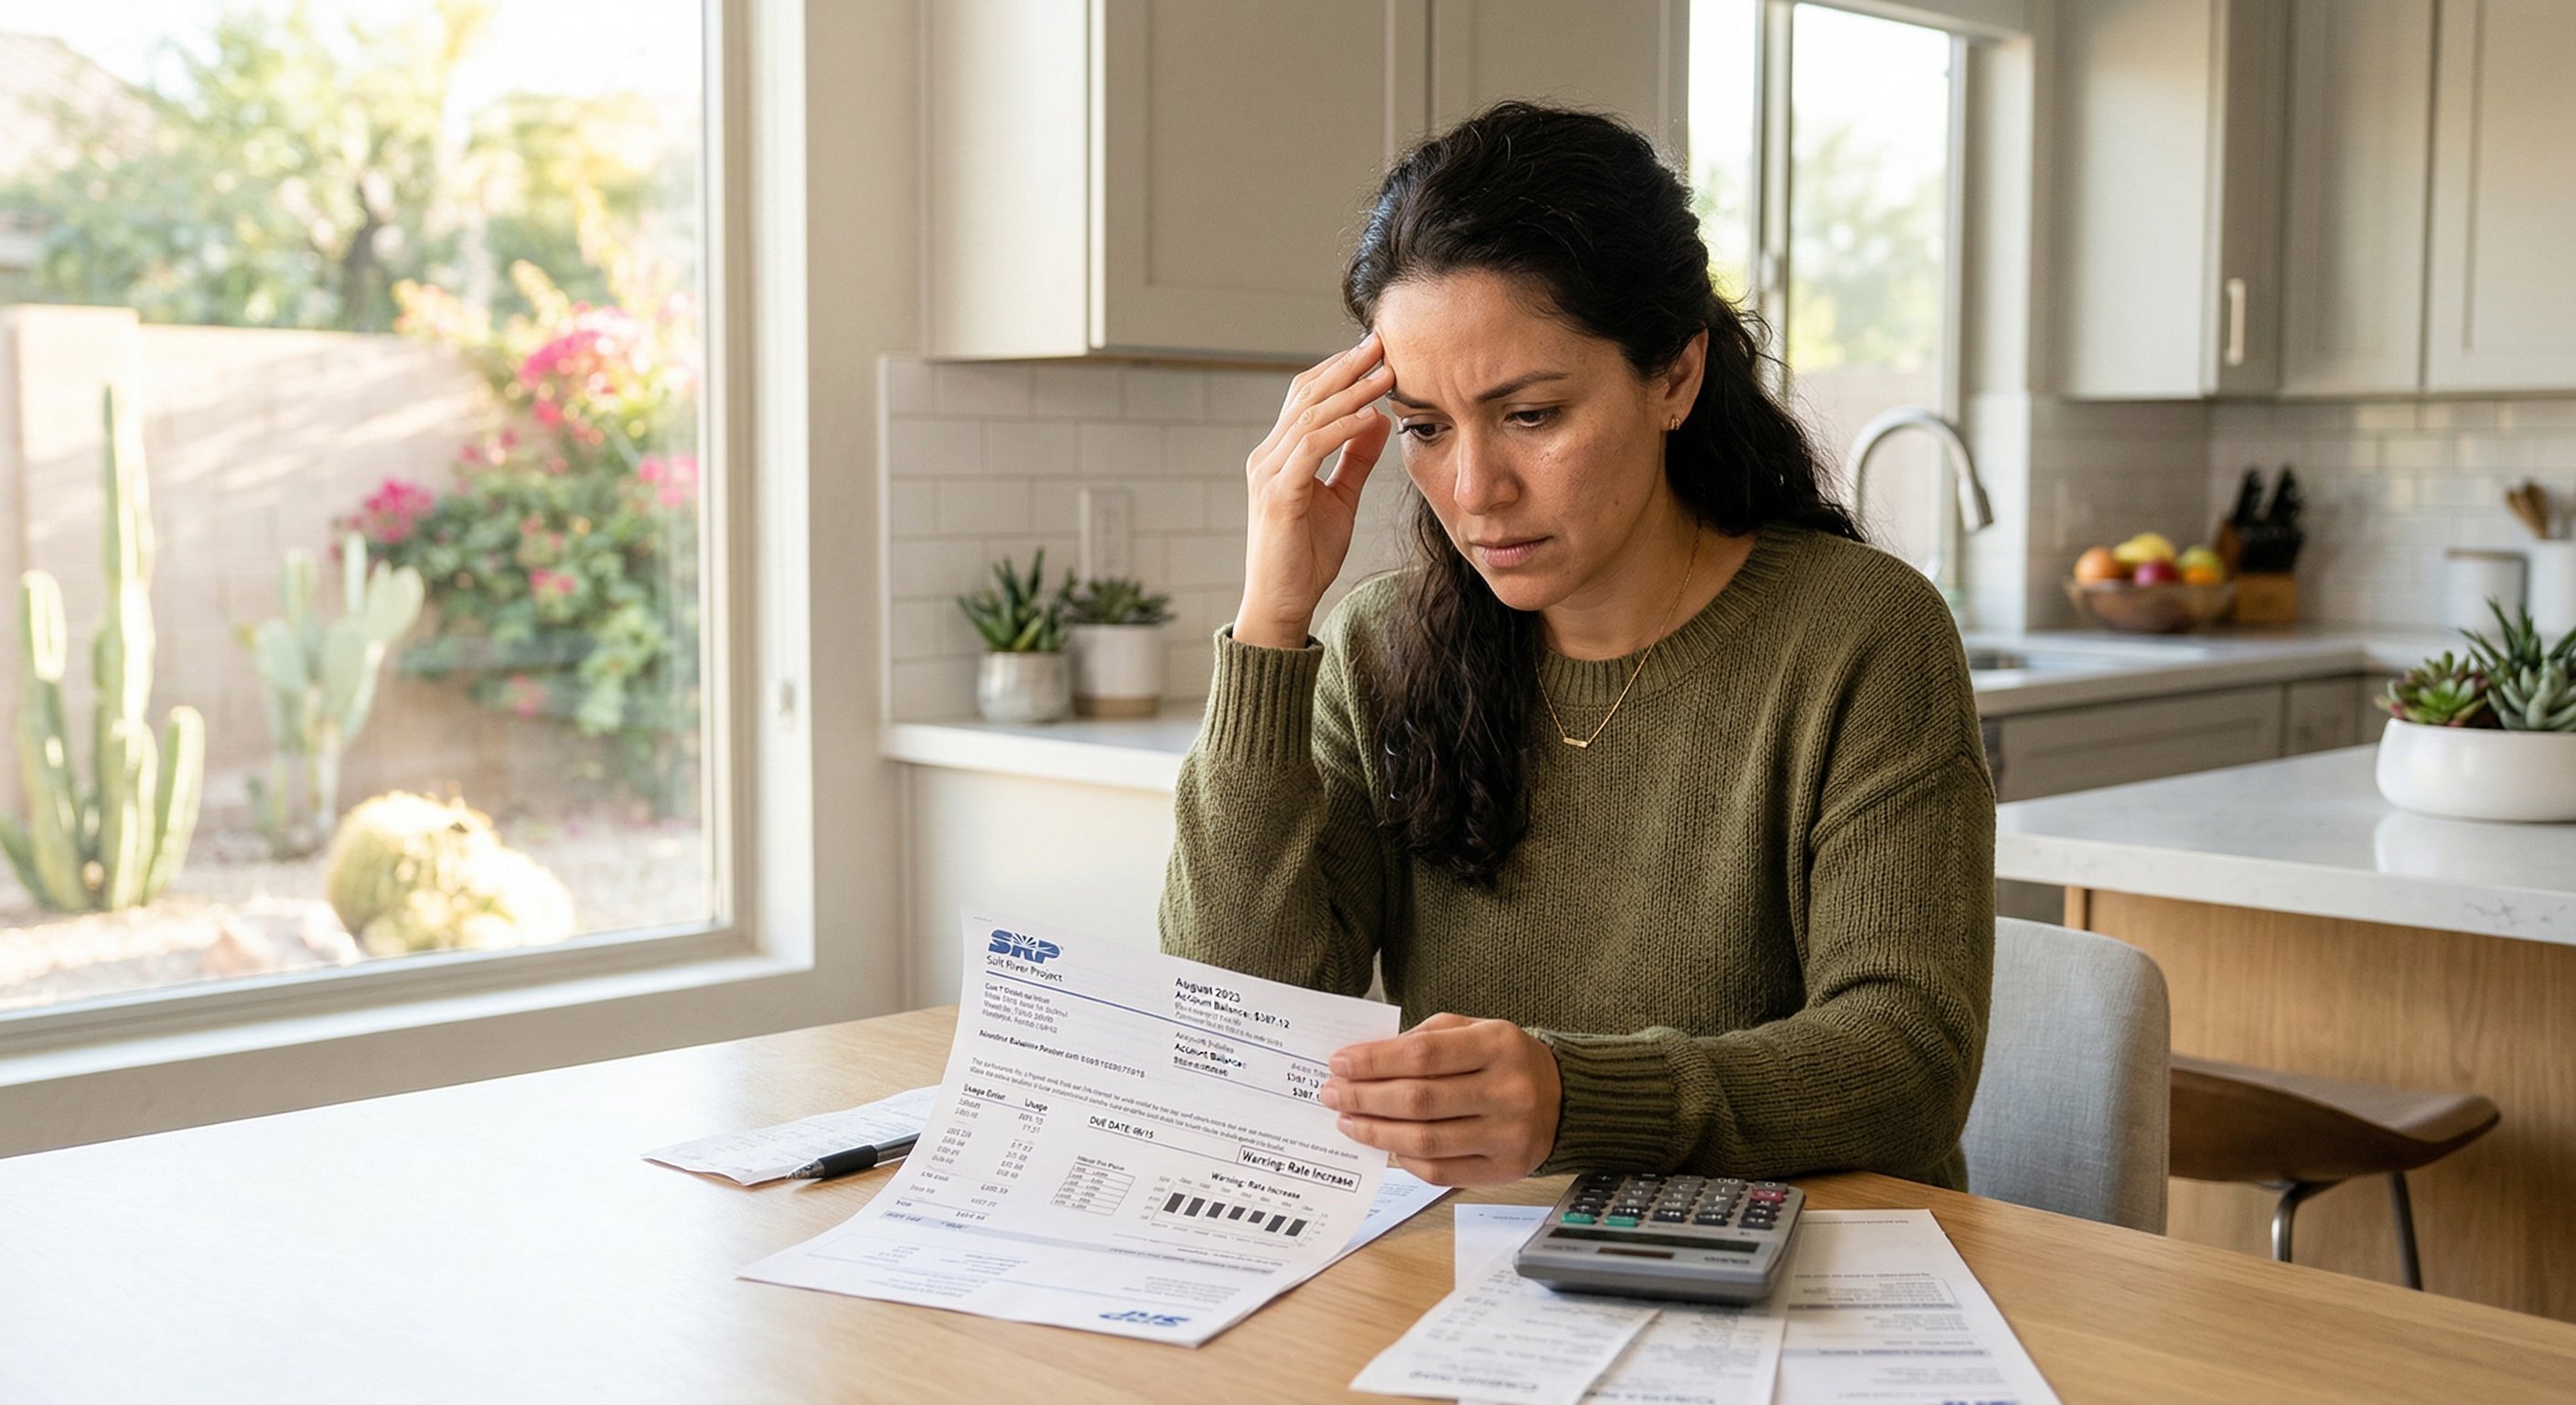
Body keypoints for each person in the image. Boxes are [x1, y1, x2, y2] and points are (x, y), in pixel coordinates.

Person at [1159, 102, 1993, 1192]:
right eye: (1423, 428)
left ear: (1675, 377)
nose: (1473, 491)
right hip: (1478, 1270)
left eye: (1532, 415)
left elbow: (1907, 1063)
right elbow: (1237, 1018)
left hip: (1804, 1276)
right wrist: (1272, 619)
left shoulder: (1860, 637)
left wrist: (1571, 1099)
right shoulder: (1376, 650)